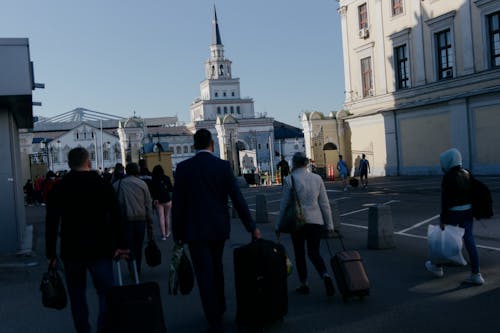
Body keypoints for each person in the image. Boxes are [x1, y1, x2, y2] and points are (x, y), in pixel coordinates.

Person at [172, 128, 261, 333]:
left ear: (194, 146)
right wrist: (252, 227)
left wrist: (177, 235)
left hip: (194, 231)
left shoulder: (184, 168)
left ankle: (214, 319)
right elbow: (237, 198)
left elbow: (178, 206)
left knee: (204, 273)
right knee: (217, 267)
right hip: (218, 228)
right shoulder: (222, 166)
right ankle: (220, 307)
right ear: (212, 144)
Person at [45, 147, 127, 333]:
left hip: (72, 250)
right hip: (101, 247)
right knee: (106, 292)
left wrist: (50, 253)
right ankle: (103, 327)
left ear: (69, 164)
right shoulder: (102, 183)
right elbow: (116, 216)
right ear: (88, 162)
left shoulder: (61, 186)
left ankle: (83, 329)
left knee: (77, 294)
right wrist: (122, 245)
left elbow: (51, 222)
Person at [276, 152, 335, 297]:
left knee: (300, 253)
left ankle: (304, 283)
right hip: (316, 221)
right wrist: (330, 225)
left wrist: (278, 225)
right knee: (314, 252)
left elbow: (283, 205)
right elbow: (325, 203)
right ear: (306, 163)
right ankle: (325, 275)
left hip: (298, 223)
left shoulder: (290, 179)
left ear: (294, 164)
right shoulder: (317, 178)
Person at [425, 148, 485, 285]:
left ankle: (437, 266)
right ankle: (476, 274)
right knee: (469, 240)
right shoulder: (466, 173)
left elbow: (445, 200)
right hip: (468, 211)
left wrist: (443, 219)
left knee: (444, 240)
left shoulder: (448, 177)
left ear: (449, 161)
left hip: (453, 212)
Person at [114, 162, 154, 276]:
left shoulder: (117, 184)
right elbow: (148, 206)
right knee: (138, 246)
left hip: (125, 221)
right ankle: (137, 268)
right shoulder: (142, 184)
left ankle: (131, 266)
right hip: (140, 220)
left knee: (128, 246)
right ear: (137, 171)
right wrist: (150, 226)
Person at [151, 164, 173, 240]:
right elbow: (170, 189)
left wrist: (155, 198)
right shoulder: (167, 178)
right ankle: (167, 232)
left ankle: (163, 235)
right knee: (167, 216)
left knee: (161, 218)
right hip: (167, 200)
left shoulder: (153, 179)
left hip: (158, 200)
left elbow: (152, 191)